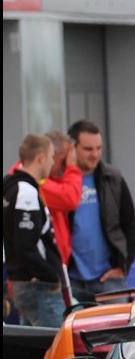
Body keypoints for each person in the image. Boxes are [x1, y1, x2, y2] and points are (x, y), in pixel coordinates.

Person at [66, 120, 135, 302]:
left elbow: (130, 225)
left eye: (99, 148)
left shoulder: (112, 178)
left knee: (116, 322)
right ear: (72, 148)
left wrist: (123, 266)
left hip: (110, 279)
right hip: (71, 279)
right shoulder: (61, 180)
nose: (95, 154)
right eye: (88, 149)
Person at [4, 135, 68, 327]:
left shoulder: (13, 188)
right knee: (56, 342)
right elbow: (25, 245)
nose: (52, 163)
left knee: (31, 343)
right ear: (40, 157)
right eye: (51, 156)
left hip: (26, 284)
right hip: (39, 286)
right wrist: (51, 276)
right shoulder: (26, 192)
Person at [8, 130, 79, 267]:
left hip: (51, 264)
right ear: (42, 158)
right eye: (62, 161)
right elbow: (69, 198)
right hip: (41, 268)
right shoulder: (29, 182)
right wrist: (72, 168)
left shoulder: (37, 178)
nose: (62, 168)